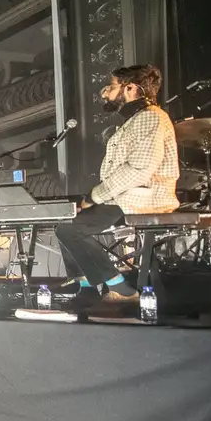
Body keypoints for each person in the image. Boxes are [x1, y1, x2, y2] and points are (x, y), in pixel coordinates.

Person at [55, 64, 179, 305]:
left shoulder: (151, 118)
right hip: (126, 197)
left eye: (112, 87)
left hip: (143, 198)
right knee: (64, 222)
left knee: (70, 229)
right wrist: (94, 197)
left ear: (131, 88)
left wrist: (94, 197)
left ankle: (121, 289)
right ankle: (86, 287)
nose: (106, 93)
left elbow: (139, 170)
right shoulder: (137, 119)